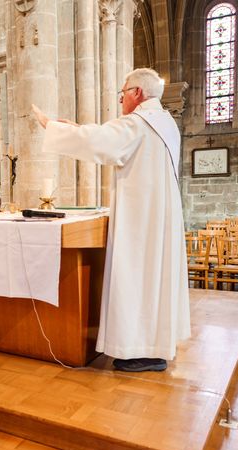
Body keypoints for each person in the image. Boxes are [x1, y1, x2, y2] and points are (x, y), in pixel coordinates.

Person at [32, 67, 190, 372]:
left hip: (139, 221)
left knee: (136, 277)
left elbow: (103, 142)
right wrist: (76, 127)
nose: (121, 100)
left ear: (137, 94)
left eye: (122, 94)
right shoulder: (165, 123)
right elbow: (106, 137)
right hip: (158, 217)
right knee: (153, 280)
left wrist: (52, 126)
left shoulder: (139, 123)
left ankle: (138, 349)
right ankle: (154, 346)